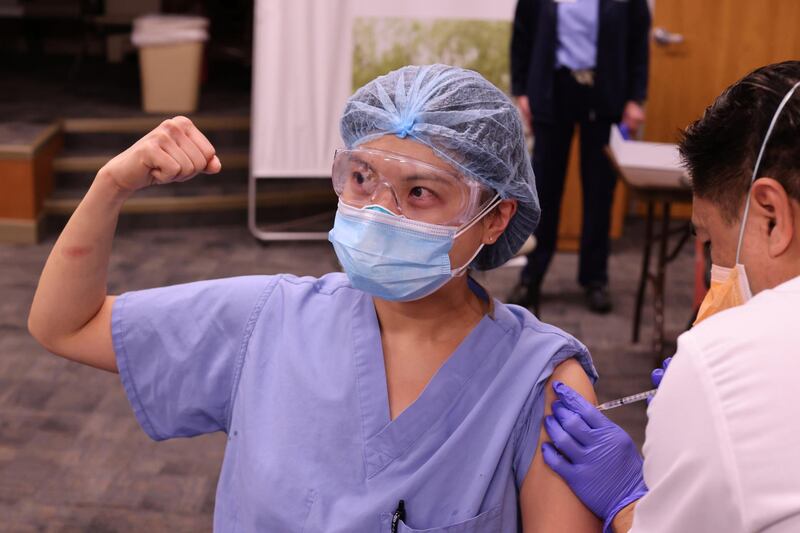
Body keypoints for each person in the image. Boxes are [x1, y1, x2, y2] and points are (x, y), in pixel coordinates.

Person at [28, 64, 604, 532]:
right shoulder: (267, 321)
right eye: (361, 178)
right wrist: (112, 185)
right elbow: (66, 326)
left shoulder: (541, 383)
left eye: (420, 192)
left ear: (496, 216)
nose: (379, 210)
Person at [540, 61, 800, 532]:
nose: (712, 268)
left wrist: (626, 499)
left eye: (710, 240)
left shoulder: (720, 362)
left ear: (771, 217)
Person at [509, 0, 651, 313]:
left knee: (600, 191)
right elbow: (522, 36)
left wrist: (635, 98)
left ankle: (595, 279)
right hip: (552, 91)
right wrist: (521, 89)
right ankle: (532, 275)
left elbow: (638, 44)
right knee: (543, 188)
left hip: (604, 94)